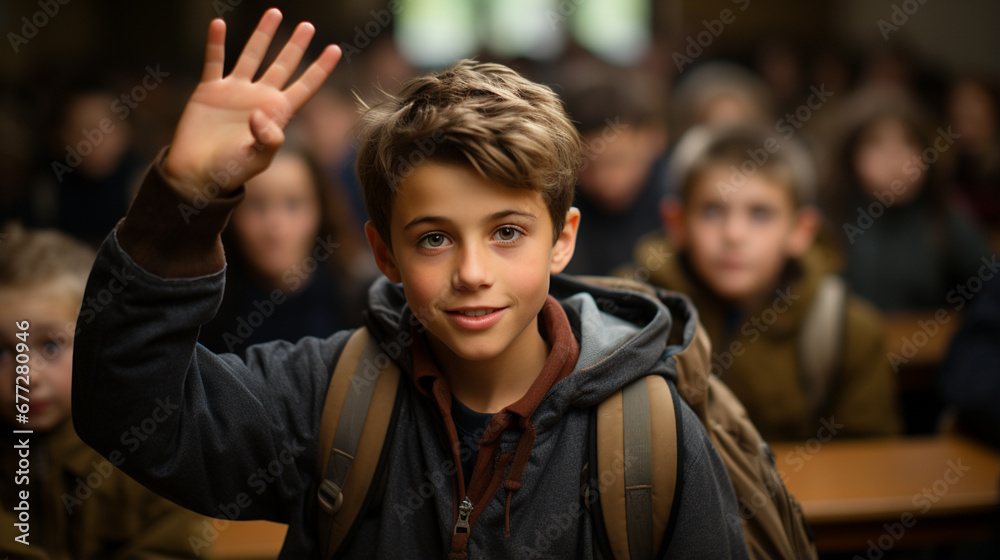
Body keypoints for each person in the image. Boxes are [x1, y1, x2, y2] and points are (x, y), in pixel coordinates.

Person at [71, 9, 748, 559]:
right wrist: (182, 201)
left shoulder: (648, 431)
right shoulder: (325, 398)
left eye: (507, 232)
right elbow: (129, 412)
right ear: (384, 253)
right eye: (433, 238)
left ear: (562, 239)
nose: (473, 273)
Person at [624, 124, 902, 441]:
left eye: (760, 214)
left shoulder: (847, 330)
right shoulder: (628, 312)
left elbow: (869, 464)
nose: (733, 235)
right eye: (712, 211)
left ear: (801, 230)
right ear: (676, 222)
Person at [0, 224, 206, 559]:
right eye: (2, 352)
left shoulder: (142, 448)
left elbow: (176, 544)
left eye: (51, 345)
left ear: (95, 343)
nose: (26, 377)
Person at [197, 144, 373, 356]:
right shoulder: (203, 315)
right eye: (256, 205)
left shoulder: (362, 302)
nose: (276, 226)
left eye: (293, 204)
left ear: (320, 211)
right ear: (231, 217)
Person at [558, 62, 669, 275]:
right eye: (586, 165)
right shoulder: (564, 209)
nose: (605, 181)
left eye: (618, 161)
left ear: (653, 140)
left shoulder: (677, 198)